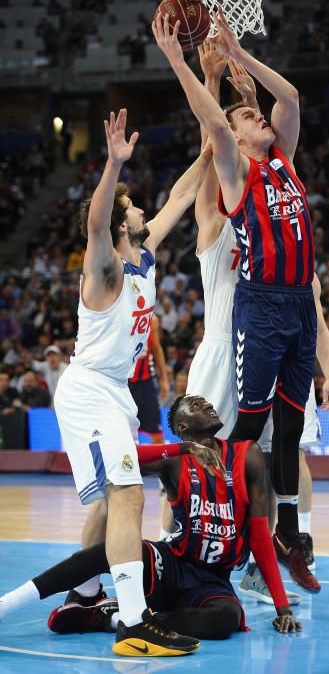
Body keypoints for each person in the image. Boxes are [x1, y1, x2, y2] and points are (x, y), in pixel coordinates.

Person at [154, 9, 319, 589]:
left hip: (283, 315)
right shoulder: (219, 202)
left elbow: (285, 104)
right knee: (210, 457)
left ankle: (269, 552)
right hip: (232, 336)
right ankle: (186, 543)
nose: (257, 120)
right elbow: (214, 137)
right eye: (250, 118)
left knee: (281, 448)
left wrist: (239, 72)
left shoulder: (281, 166)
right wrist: (197, 69)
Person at [52, 108, 214, 656]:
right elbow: (96, 224)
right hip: (90, 387)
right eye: (132, 205)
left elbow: (181, 198)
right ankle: (132, 622)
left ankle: (83, 597)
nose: (144, 207)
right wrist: (113, 165)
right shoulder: (105, 268)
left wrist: (217, 143)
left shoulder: (143, 256)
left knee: (106, 504)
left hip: (116, 391)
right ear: (123, 221)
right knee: (128, 495)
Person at [0, 395, 301, 652]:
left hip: (212, 579)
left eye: (206, 401)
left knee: (226, 619)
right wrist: (183, 449)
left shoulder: (247, 455)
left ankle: (113, 618)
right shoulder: (174, 460)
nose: (208, 404)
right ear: (182, 427)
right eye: (197, 404)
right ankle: (7, 604)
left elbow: (261, 536)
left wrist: (282, 607)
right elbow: (115, 455)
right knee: (108, 552)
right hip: (171, 564)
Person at [128, 315, 169, 444]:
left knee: (157, 435)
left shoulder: (153, 319)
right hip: (124, 384)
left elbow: (157, 348)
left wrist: (164, 380)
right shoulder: (121, 315)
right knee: (124, 435)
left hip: (146, 384)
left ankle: (160, 463)